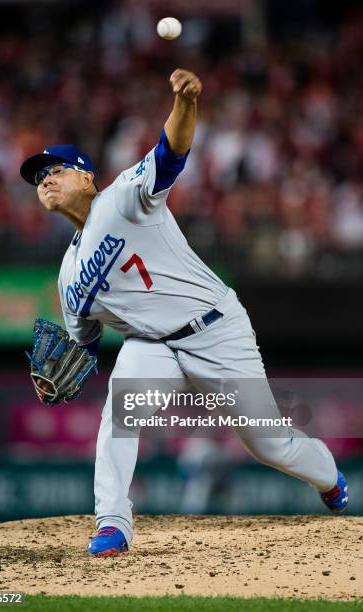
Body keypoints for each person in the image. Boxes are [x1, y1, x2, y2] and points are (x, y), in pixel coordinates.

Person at [20, 68, 348, 557]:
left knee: (269, 444)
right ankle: (113, 522)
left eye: (55, 170)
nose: (45, 180)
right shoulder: (67, 274)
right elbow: (83, 342)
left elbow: (171, 152)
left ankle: (329, 476)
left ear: (86, 176)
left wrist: (187, 101)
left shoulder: (123, 198)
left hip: (215, 329)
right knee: (118, 417)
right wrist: (58, 372)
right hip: (151, 347)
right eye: (38, 178)